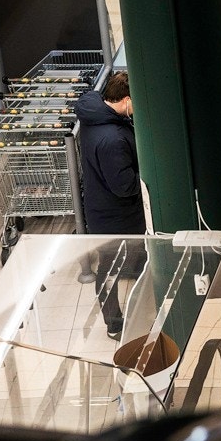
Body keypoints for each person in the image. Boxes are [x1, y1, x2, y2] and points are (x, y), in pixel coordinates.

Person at [75, 71, 146, 338]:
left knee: (114, 265)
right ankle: (114, 324)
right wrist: (147, 175)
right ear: (125, 100)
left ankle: (134, 308)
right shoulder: (112, 139)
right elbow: (124, 185)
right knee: (109, 270)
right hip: (116, 216)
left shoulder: (96, 113)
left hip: (100, 207)